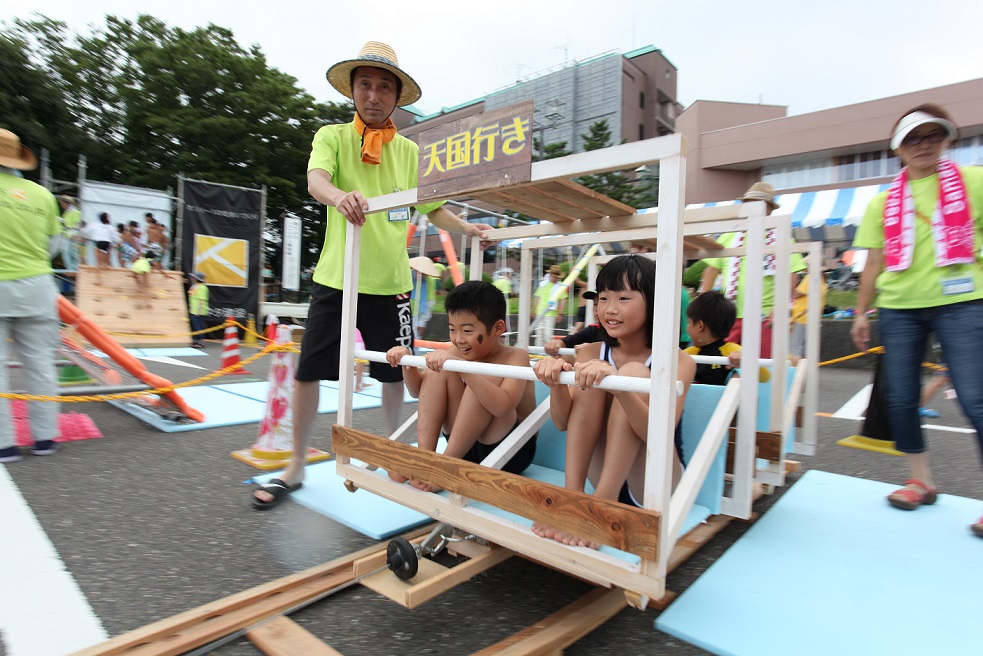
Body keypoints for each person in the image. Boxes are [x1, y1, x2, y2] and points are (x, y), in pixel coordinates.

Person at [251, 41, 492, 509]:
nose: (374, 95)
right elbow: (315, 181)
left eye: (384, 86)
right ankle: (296, 464)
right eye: (366, 85)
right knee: (308, 372)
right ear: (354, 91)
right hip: (337, 277)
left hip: (391, 283)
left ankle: (392, 455)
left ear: (397, 97)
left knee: (394, 371)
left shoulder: (409, 151)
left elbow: (433, 206)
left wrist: (467, 227)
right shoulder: (332, 136)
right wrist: (340, 195)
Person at [850, 103, 983, 538]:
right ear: (898, 149)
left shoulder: (975, 181)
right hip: (899, 304)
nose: (924, 145)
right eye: (913, 138)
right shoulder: (882, 202)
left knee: (975, 398)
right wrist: (860, 311)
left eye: (933, 135)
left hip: (964, 302)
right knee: (901, 398)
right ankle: (920, 478)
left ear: (947, 140)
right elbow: (873, 261)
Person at [532, 255, 696, 548]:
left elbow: (657, 436)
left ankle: (602, 505)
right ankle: (574, 498)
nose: (609, 309)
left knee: (630, 373)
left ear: (653, 302)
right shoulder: (590, 351)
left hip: (651, 479)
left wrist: (621, 387)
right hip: (601, 472)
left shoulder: (677, 360)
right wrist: (555, 381)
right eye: (603, 298)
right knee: (592, 375)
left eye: (623, 298)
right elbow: (560, 423)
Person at [385, 280, 537, 491]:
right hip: (466, 448)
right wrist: (406, 363)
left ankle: (444, 469)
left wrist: (465, 368)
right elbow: (419, 391)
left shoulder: (516, 356)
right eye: (452, 330)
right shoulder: (456, 352)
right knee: (441, 370)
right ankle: (425, 460)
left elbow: (503, 407)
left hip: (509, 452)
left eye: (467, 330)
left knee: (483, 379)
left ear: (498, 328)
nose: (458, 339)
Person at [0, 129, 61, 462]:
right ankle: (44, 439)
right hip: (37, 286)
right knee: (40, 367)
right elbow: (53, 247)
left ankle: (5, 445)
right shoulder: (42, 196)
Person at [698, 183, 806, 358]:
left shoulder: (781, 236)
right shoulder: (730, 234)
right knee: (723, 362)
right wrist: (703, 304)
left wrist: (780, 307)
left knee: (762, 363)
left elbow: (791, 274)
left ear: (769, 209)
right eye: (750, 203)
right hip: (729, 314)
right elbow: (712, 270)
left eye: (759, 204)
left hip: (765, 316)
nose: (754, 208)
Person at [788, 257, 827, 365]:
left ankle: (796, 374)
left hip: (802, 317)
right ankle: (808, 372)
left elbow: (797, 293)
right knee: (808, 348)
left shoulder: (810, 278)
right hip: (813, 317)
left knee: (796, 347)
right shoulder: (822, 280)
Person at [409, 255, 441, 339]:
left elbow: (429, 303)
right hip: (405, 311)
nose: (420, 275)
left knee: (416, 336)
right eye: (417, 271)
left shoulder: (430, 281)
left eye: (423, 273)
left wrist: (422, 323)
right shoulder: (407, 277)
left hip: (419, 312)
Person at [533, 265, 566, 346]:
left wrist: (560, 313)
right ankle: (538, 353)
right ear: (550, 275)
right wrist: (534, 310)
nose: (556, 279)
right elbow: (537, 297)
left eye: (557, 277)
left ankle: (547, 353)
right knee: (539, 335)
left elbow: (563, 300)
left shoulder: (560, 286)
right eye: (555, 277)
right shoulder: (543, 284)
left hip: (551, 314)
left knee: (548, 335)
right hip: (540, 312)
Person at [82, 212, 118, 283]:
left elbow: (85, 231)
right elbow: (115, 238)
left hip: (99, 242)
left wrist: (85, 236)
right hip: (107, 243)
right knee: (106, 263)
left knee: (98, 263)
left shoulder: (94, 225)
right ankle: (109, 278)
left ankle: (99, 280)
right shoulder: (110, 227)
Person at [57, 195, 82, 271]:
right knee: (66, 253)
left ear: (67, 203)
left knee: (73, 254)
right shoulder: (66, 213)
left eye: (62, 204)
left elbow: (78, 225)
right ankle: (70, 269)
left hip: (72, 236)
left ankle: (74, 270)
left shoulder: (76, 212)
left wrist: (75, 235)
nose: (62, 206)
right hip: (66, 235)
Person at [187, 271, 209, 349]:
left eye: (193, 277)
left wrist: (199, 311)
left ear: (196, 278)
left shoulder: (202, 287)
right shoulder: (195, 286)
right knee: (195, 325)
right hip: (193, 309)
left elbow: (201, 300)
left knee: (198, 325)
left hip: (198, 310)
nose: (191, 278)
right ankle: (197, 340)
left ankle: (201, 341)